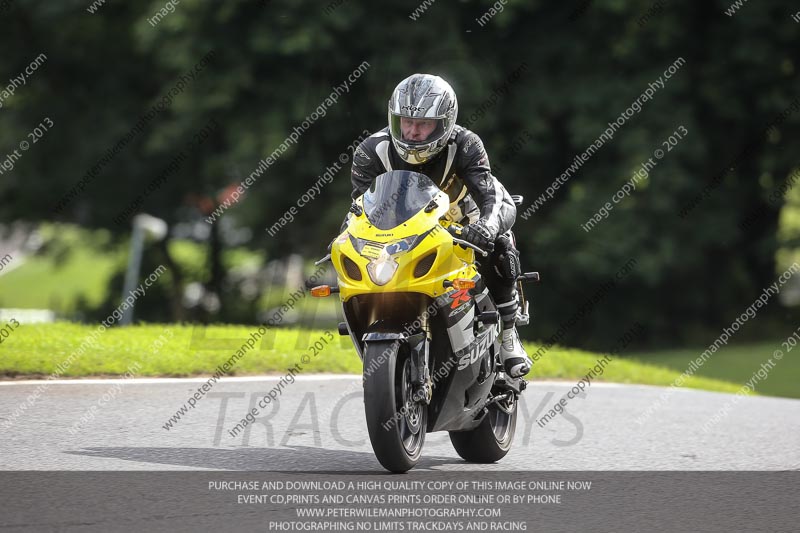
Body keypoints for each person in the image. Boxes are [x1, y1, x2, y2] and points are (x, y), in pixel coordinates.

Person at [349, 73, 532, 378]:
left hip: (464, 222)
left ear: (445, 123)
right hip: (406, 232)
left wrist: (486, 227)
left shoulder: (466, 144)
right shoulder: (371, 151)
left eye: (424, 124)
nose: (413, 131)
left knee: (501, 244)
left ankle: (510, 336)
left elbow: (490, 196)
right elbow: (359, 209)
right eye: (405, 122)